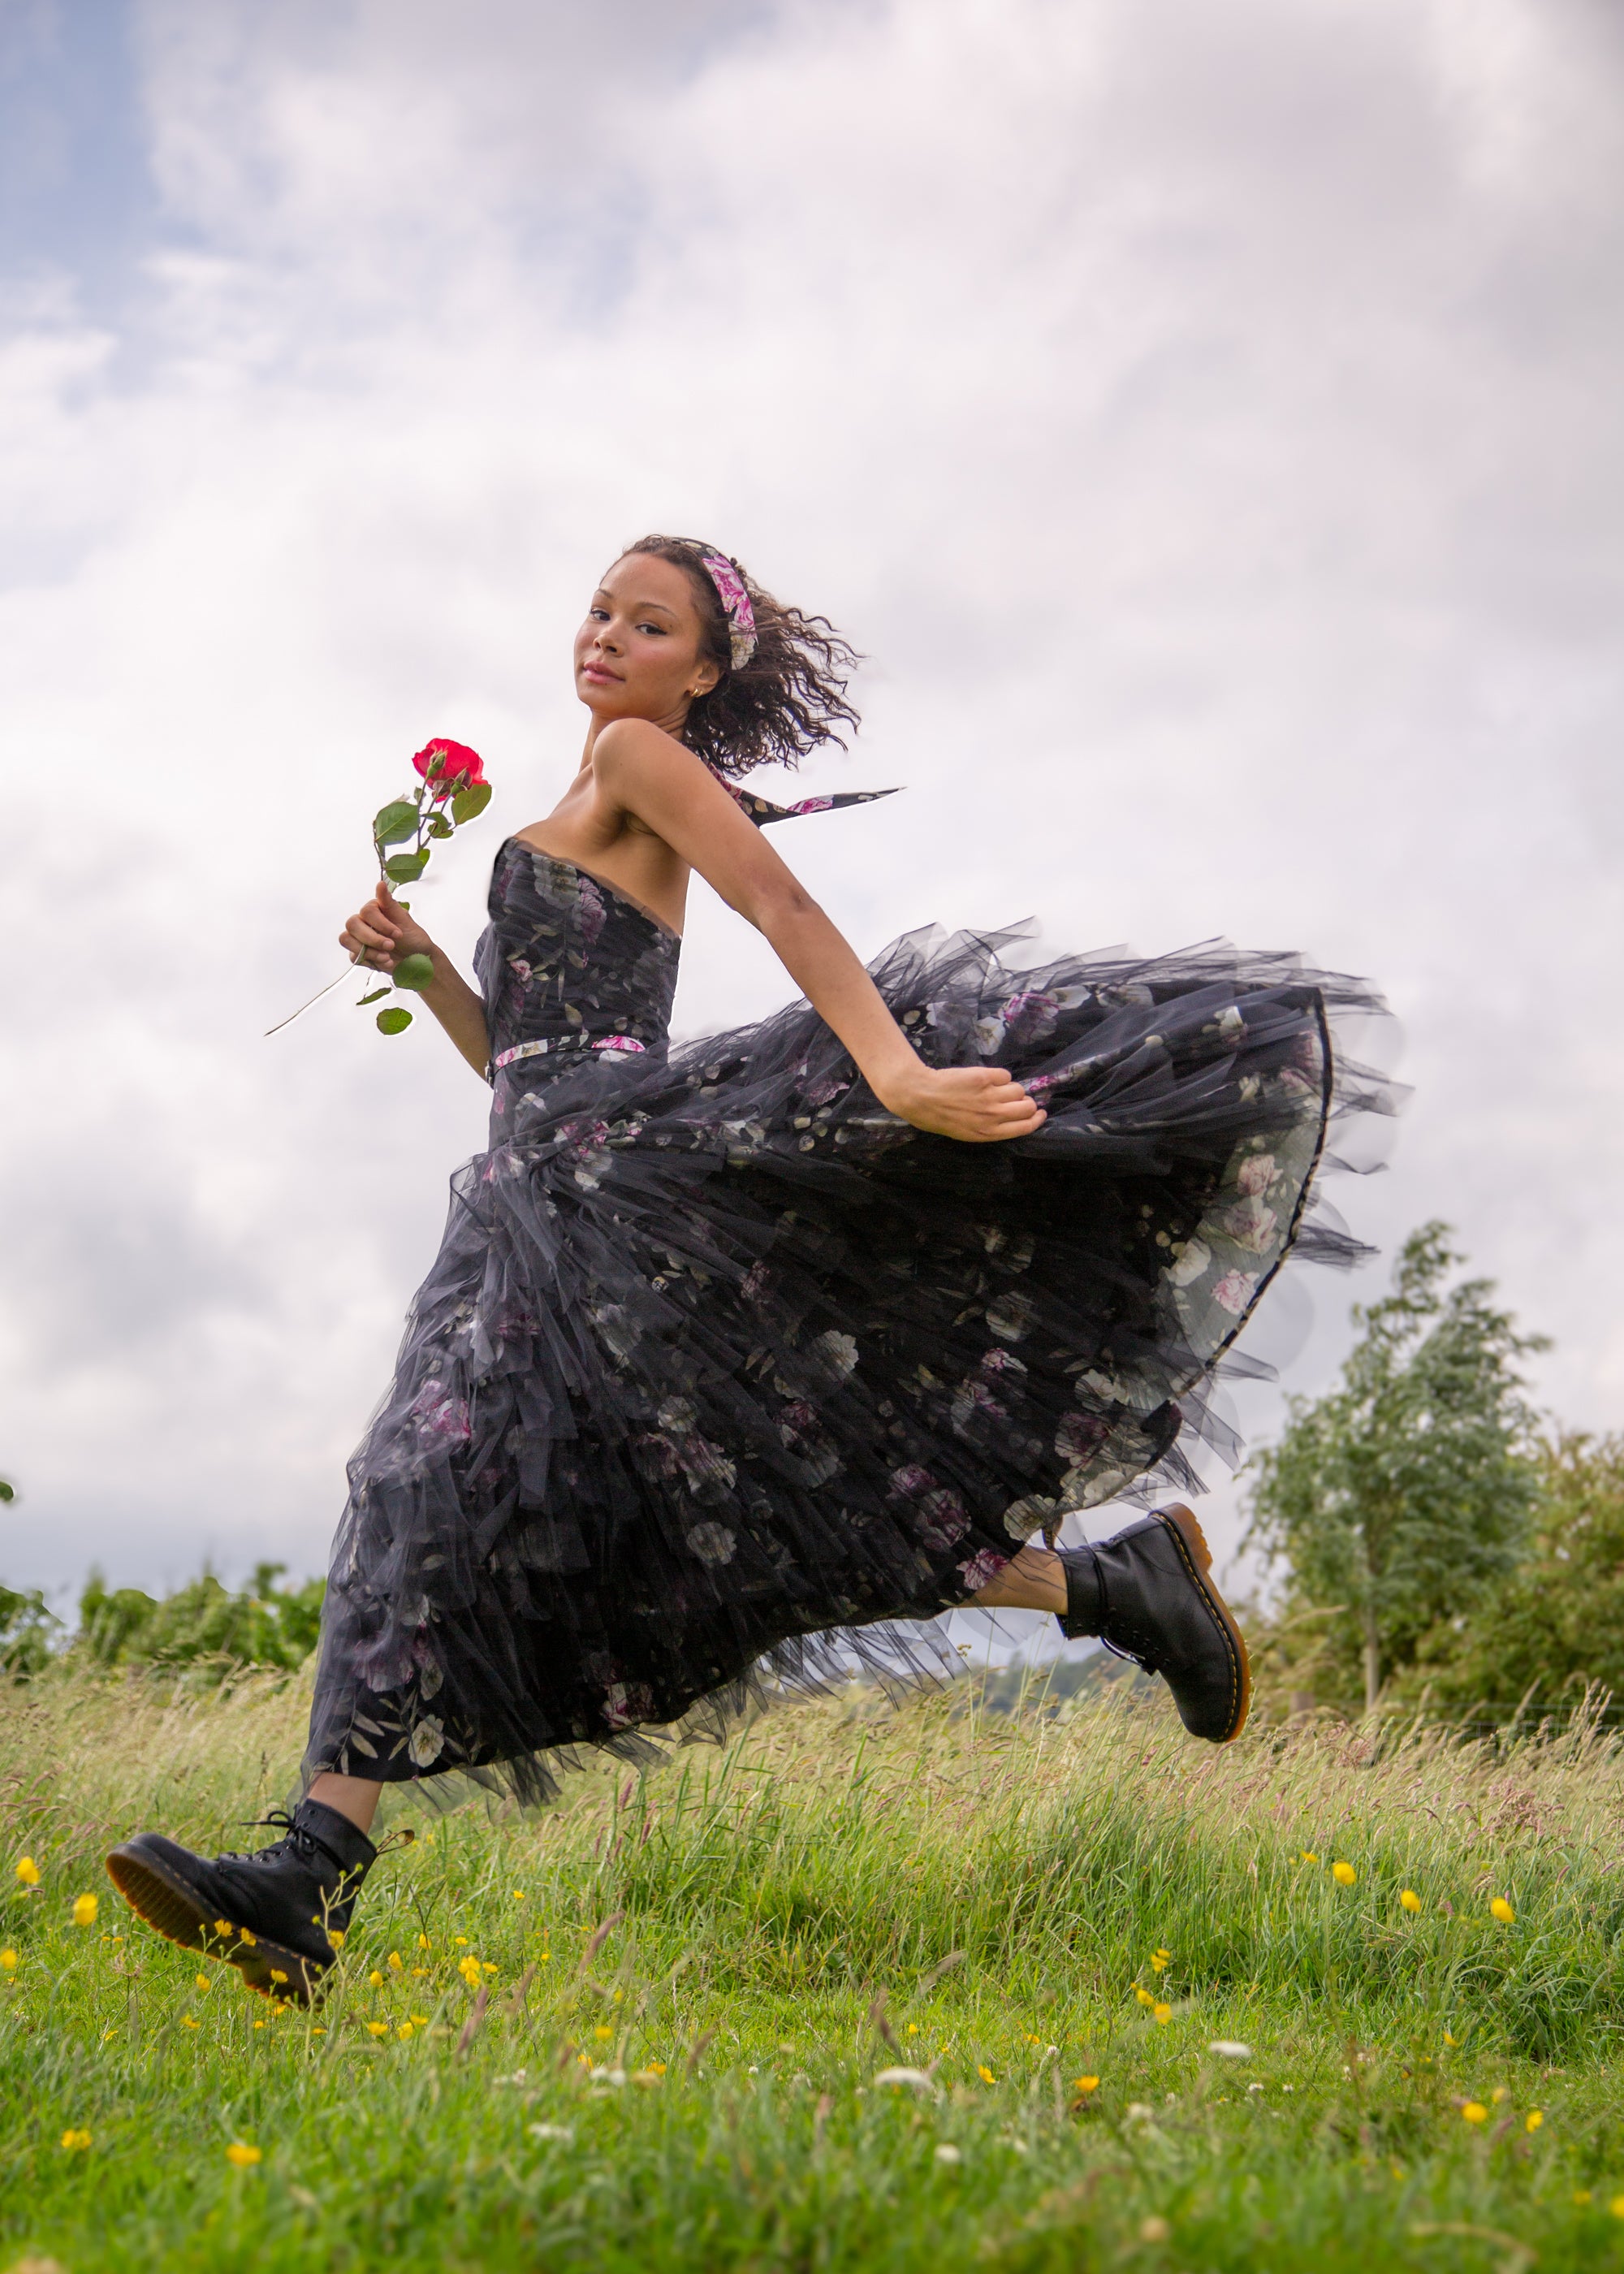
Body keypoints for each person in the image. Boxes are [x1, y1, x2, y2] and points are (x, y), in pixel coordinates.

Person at [107, 535, 1391, 2001]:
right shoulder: (585, 786)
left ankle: (1113, 1588)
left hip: (622, 1203)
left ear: (700, 672)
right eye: (597, 609)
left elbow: (779, 906)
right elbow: (527, 1071)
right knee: (514, 1504)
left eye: (647, 625)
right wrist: (431, 978)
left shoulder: (645, 757)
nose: (606, 637)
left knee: (691, 1505)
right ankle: (304, 1881)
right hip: (531, 1202)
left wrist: (900, 1076)